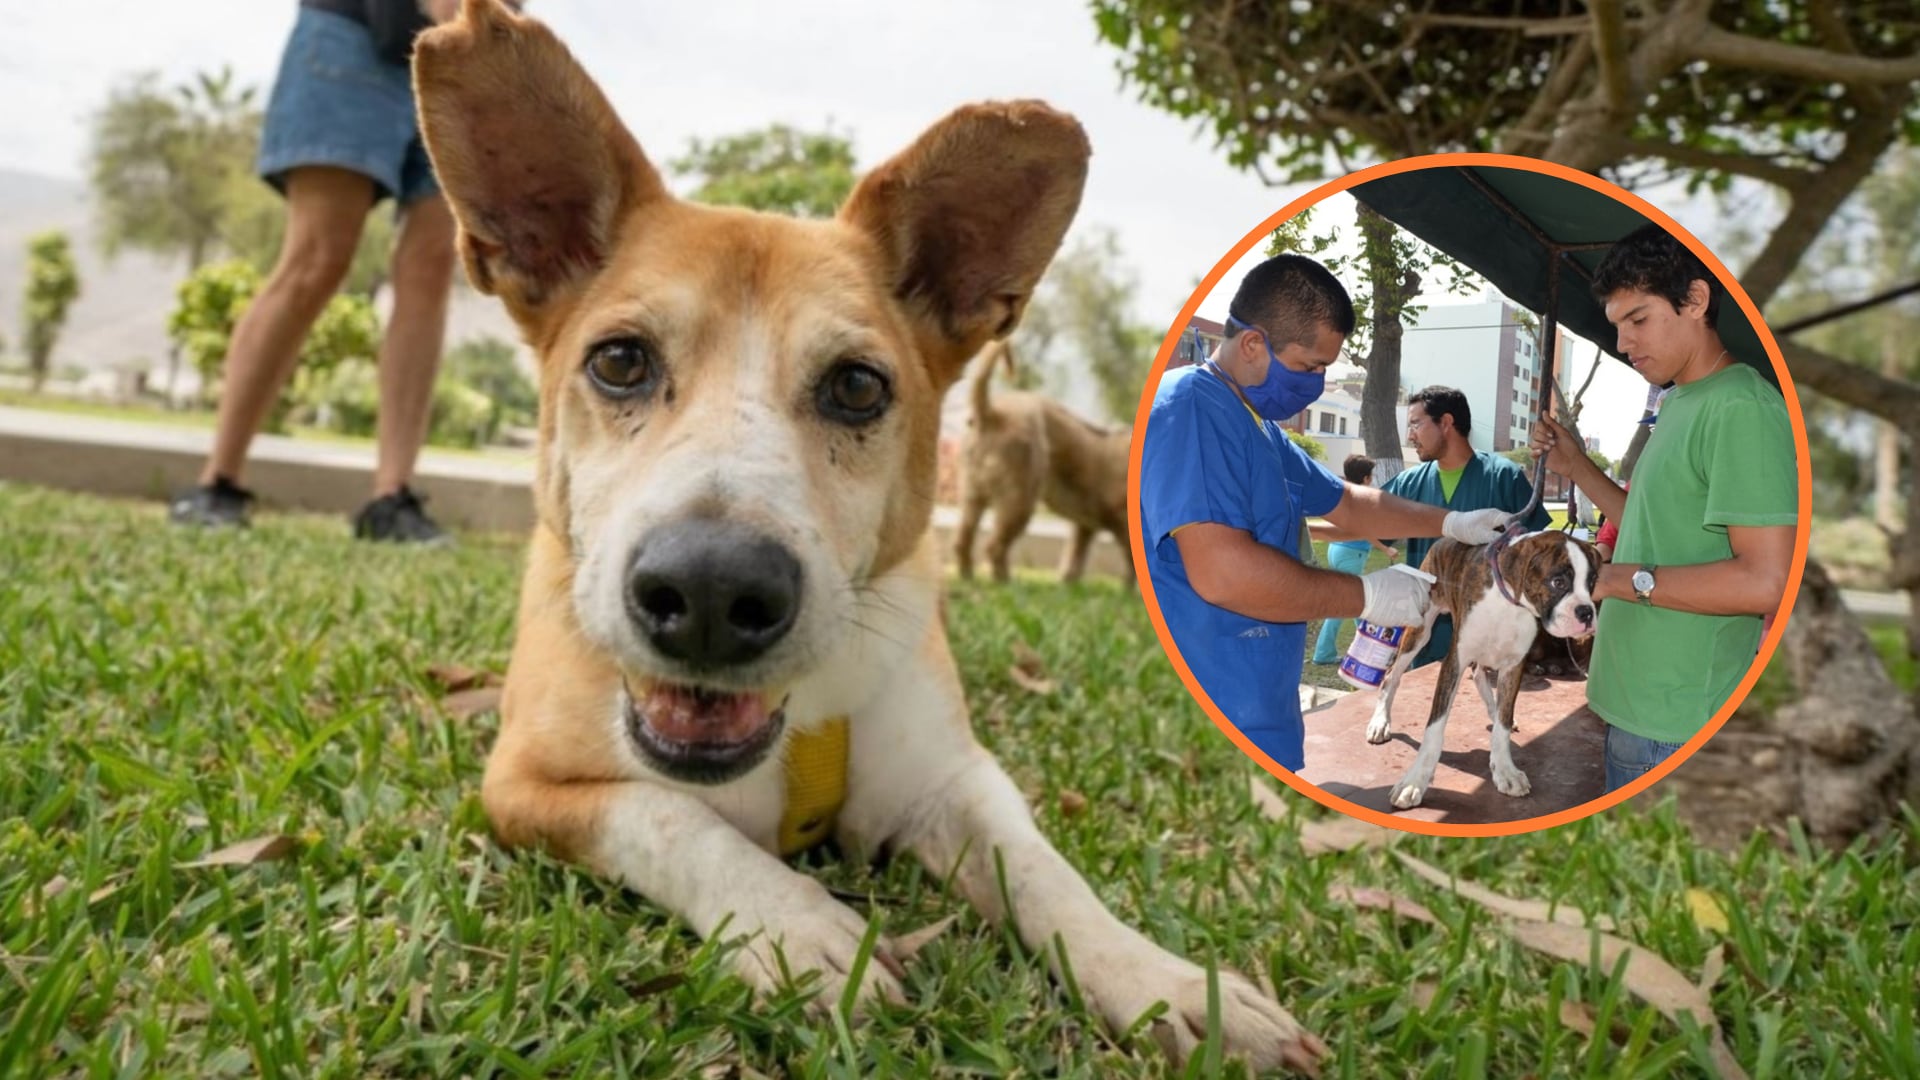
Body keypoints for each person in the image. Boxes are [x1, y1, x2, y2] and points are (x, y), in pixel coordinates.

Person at [1138, 254, 1513, 772]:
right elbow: (1222, 573)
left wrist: (1449, 522)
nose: (1315, 384)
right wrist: (1367, 594)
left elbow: (1348, 502)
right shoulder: (1190, 411)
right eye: (1309, 367)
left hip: (1261, 704)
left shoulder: (1262, 429)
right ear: (1253, 344)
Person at [169, 0, 516, 543]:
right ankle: (218, 480)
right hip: (353, 33)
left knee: (430, 268)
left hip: (471, 55)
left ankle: (391, 497)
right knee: (316, 259)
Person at [1530, 224, 1796, 793]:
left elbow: (1766, 582)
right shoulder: (1681, 400)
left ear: (1696, 300)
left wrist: (1616, 579)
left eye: (1639, 319)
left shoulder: (1742, 408)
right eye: (1617, 326)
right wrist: (1576, 467)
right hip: (1638, 706)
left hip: (1675, 724)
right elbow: (1653, 523)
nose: (1624, 343)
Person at [1379, 385, 1552, 667]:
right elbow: (1372, 530)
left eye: (1415, 424)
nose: (1409, 436)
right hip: (1425, 642)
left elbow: (1539, 553)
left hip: (1491, 646)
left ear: (1446, 422)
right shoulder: (1407, 484)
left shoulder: (1503, 477)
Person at [1310, 455, 1398, 665]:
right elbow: (1364, 531)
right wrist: (1386, 549)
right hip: (1351, 555)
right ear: (1366, 478)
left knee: (1356, 602)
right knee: (1347, 604)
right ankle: (1324, 654)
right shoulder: (1361, 500)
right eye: (1372, 476)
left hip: (1337, 550)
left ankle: (1369, 648)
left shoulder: (1343, 495)